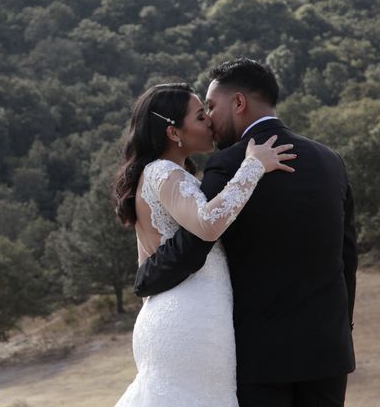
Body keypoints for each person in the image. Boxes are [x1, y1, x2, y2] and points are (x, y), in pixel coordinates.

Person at [134, 58, 358, 407]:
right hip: (328, 349)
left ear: (238, 103)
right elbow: (347, 256)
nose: (208, 118)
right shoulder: (330, 161)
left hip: (261, 355)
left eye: (210, 106)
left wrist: (145, 277)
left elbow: (192, 247)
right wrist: (343, 329)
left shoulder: (228, 164)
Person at [112, 81, 296, 406]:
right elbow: (208, 225)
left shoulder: (159, 174)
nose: (210, 121)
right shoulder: (164, 172)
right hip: (189, 320)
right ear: (173, 132)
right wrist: (253, 166)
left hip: (176, 315)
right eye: (200, 116)